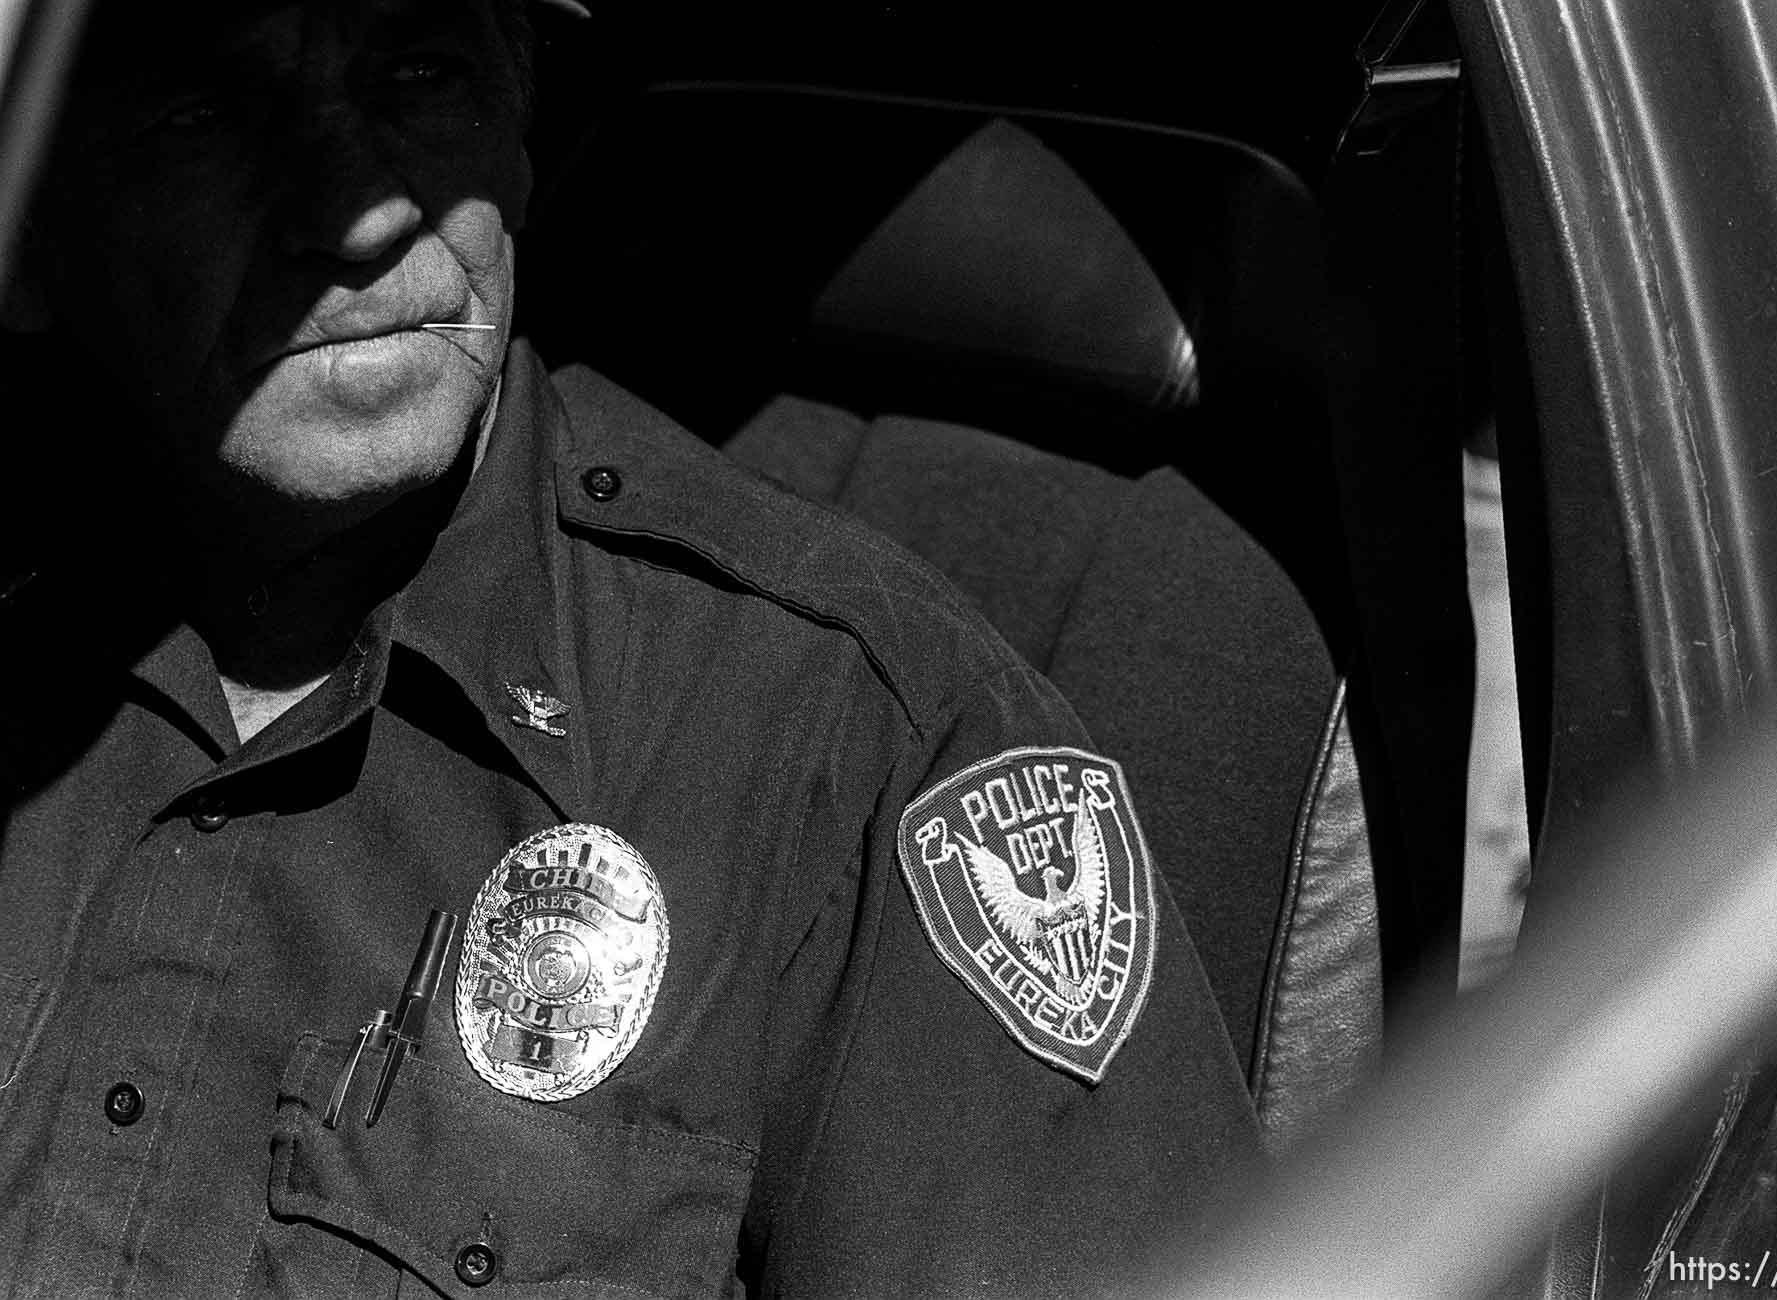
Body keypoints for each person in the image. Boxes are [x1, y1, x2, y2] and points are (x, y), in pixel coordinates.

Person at [0, 2, 1260, 1295]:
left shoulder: (866, 746)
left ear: (522, 142)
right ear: (29, 232)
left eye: (422, 74)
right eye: (204, 114)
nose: (354, 212)